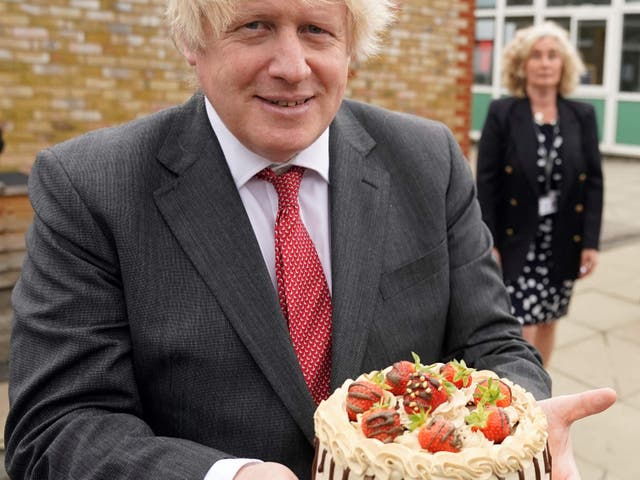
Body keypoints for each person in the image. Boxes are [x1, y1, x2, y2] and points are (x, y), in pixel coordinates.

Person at [5, 2, 614, 480]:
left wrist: (521, 421)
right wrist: (228, 476)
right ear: (192, 41)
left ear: (351, 44)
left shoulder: (428, 159)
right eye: (254, 25)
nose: (293, 65)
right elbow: (56, 427)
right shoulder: (92, 185)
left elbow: (494, 342)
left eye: (318, 30)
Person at [476, 22, 604, 367]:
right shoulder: (503, 113)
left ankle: (540, 389)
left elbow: (593, 180)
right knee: (522, 326)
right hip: (518, 238)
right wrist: (488, 240)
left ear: (563, 65)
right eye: (536, 55)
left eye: (552, 56)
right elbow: (486, 181)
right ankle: (524, 393)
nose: (545, 63)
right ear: (522, 65)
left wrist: (590, 241)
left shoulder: (582, 115)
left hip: (562, 237)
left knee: (549, 318)